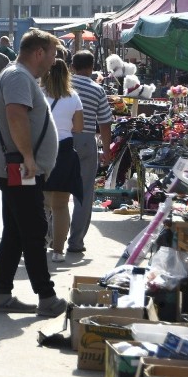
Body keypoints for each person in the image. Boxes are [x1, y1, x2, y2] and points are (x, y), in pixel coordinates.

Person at [0, 29, 65, 318]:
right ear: (39, 52)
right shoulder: (18, 76)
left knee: (16, 232)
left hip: (18, 166)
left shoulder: (18, 75)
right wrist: (30, 157)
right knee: (33, 230)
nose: (55, 61)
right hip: (20, 166)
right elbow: (16, 114)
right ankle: (46, 297)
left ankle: (2, 293)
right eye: (53, 54)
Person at [68, 50, 114, 254]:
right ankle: (76, 242)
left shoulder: (62, 85)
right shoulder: (97, 89)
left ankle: (52, 236)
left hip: (60, 140)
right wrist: (107, 150)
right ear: (91, 67)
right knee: (84, 193)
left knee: (54, 190)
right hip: (86, 141)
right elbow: (105, 123)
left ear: (73, 66)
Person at [40, 58, 83, 263]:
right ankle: (58, 251)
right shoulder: (73, 97)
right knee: (61, 205)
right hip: (65, 150)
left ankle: (38, 243)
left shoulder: (38, 95)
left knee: (39, 202)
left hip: (41, 150)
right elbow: (79, 128)